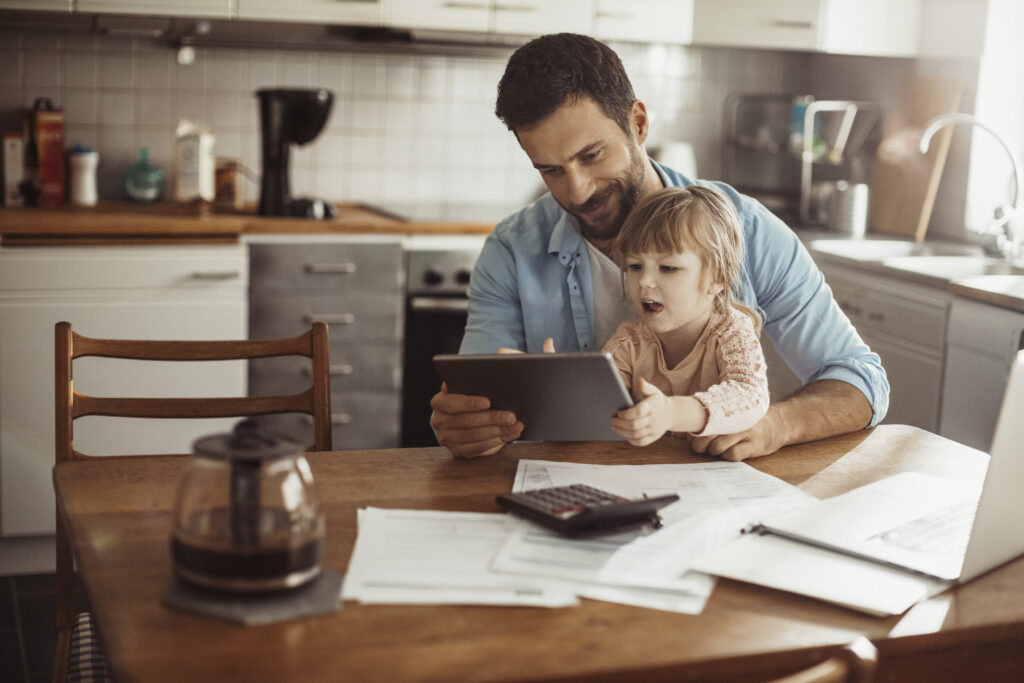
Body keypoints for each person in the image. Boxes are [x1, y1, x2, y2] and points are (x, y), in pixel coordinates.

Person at [430, 33, 888, 461]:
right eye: (550, 170)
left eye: (592, 156)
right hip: (570, 494)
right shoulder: (512, 250)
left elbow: (862, 381)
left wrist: (776, 425)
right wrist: (468, 426)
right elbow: (474, 398)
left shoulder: (745, 229)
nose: (577, 191)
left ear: (639, 123)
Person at [604, 185, 769, 447]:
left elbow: (750, 395)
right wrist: (563, 380)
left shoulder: (731, 330)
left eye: (668, 268)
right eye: (635, 266)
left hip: (719, 477)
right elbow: (599, 401)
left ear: (717, 278)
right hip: (650, 470)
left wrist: (671, 413)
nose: (644, 281)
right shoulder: (630, 341)